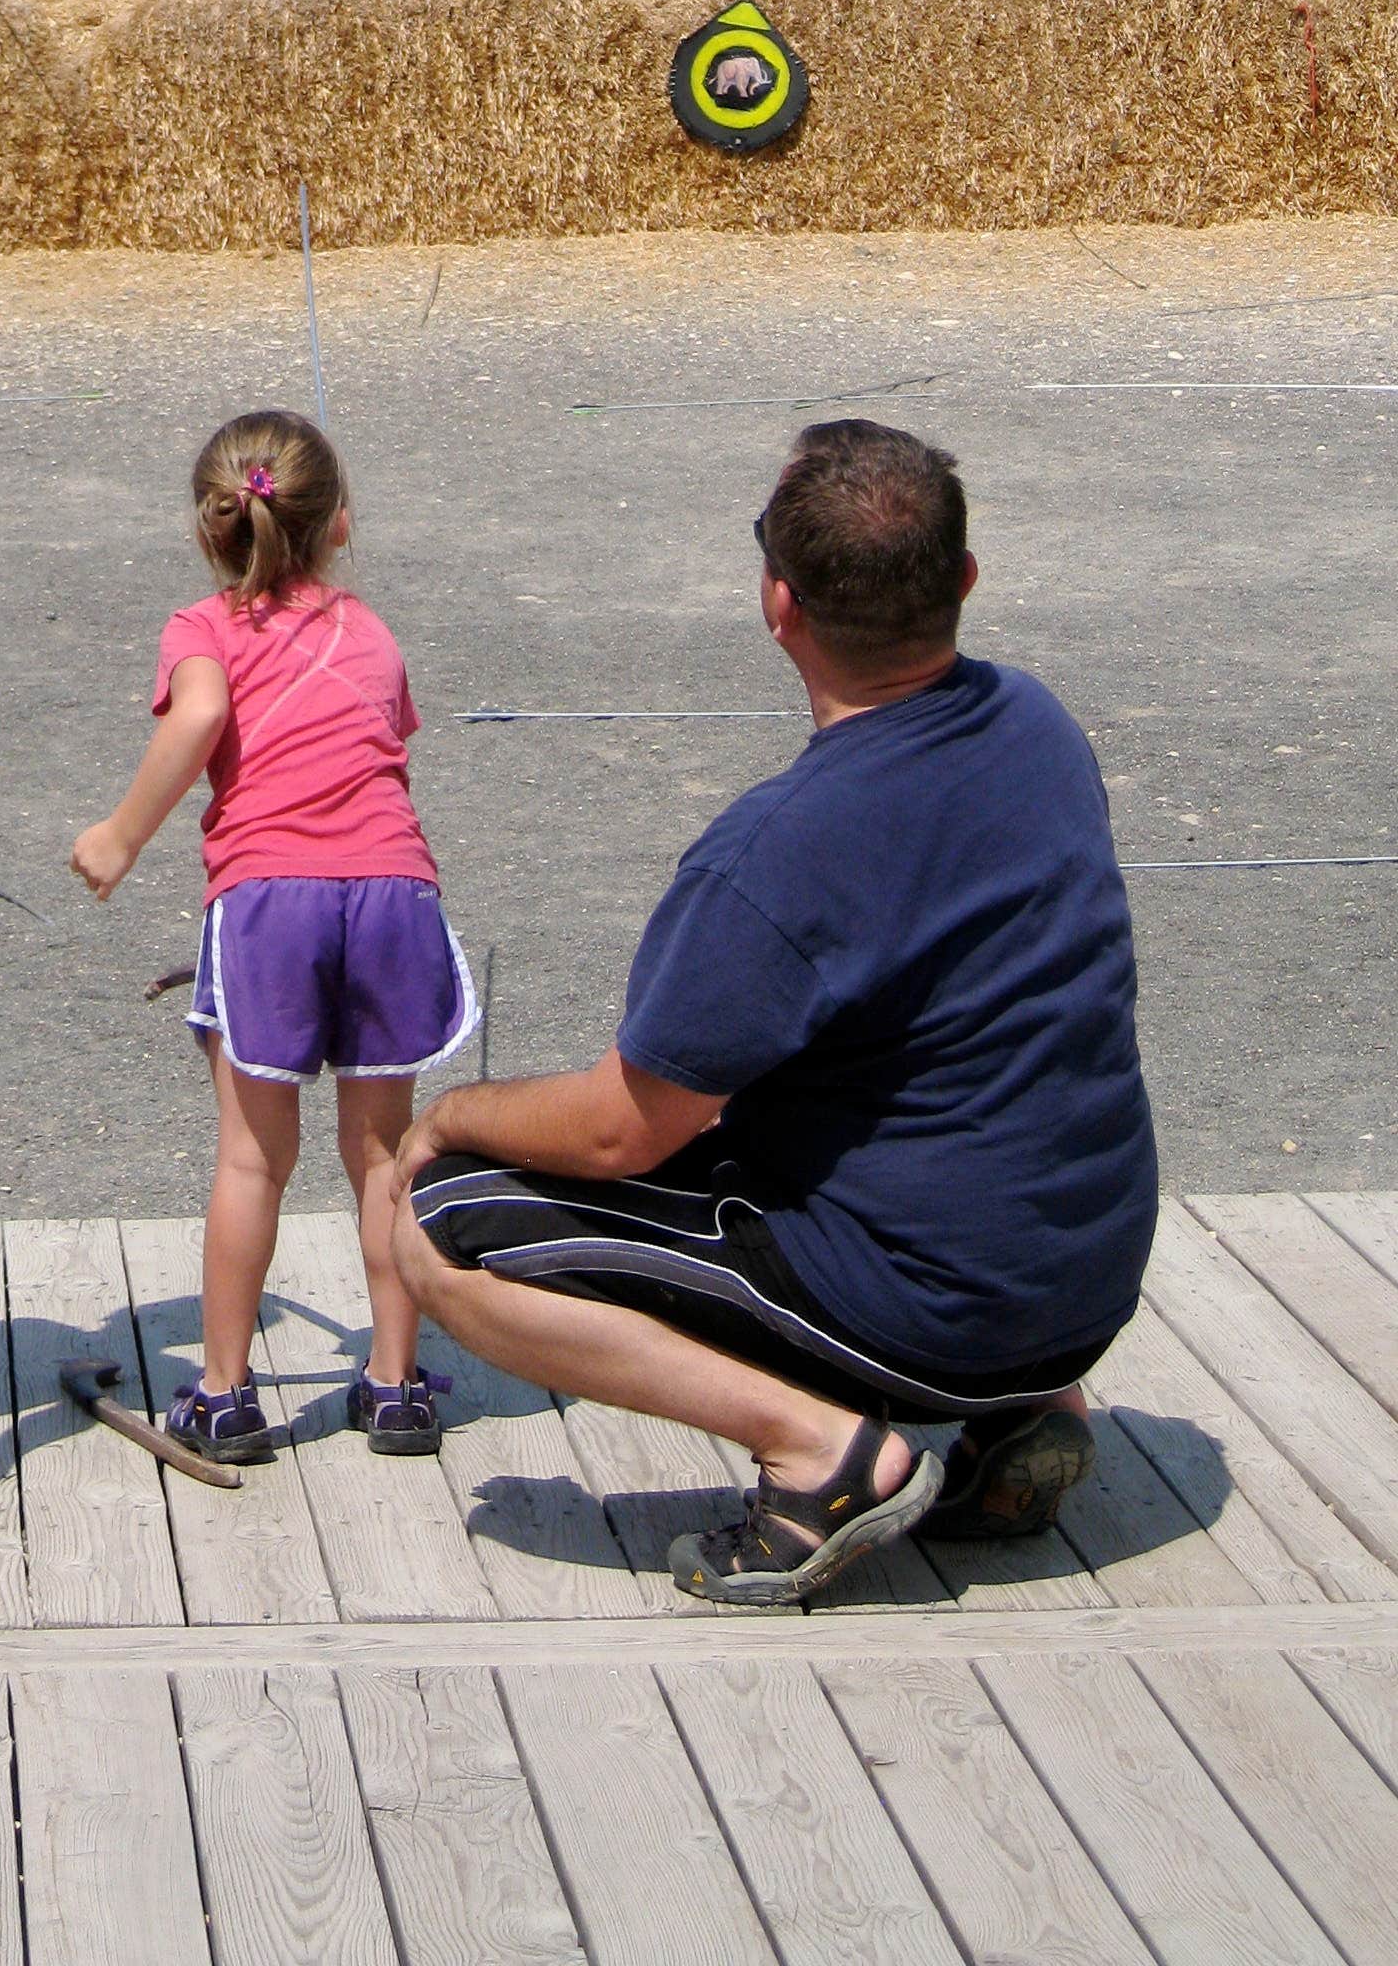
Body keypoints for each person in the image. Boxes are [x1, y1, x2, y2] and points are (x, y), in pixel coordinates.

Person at [396, 419, 1158, 1609]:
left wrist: (455, 1110)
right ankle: (1017, 1421)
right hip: (1089, 1284)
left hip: (933, 1301)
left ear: (777, 602)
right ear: (963, 580)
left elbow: (619, 1131)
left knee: (443, 1224)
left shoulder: (775, 853)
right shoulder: (1039, 725)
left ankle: (827, 1458)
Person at [71, 409, 473, 1461]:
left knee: (254, 1158)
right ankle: (394, 1384)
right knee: (382, 1150)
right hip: (392, 894)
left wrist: (121, 834)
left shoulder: (201, 630)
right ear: (339, 524)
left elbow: (200, 719)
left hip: (268, 899)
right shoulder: (373, 632)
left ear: (215, 530)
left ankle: (224, 1392)